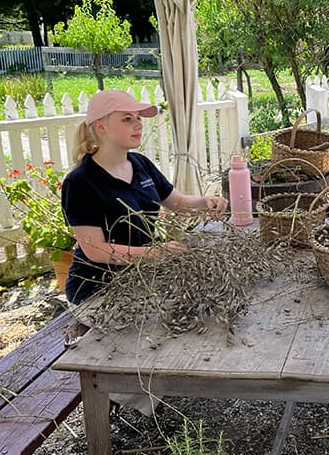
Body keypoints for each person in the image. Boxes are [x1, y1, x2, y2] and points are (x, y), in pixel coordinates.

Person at [62, 89, 227, 306]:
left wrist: (206, 202)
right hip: (96, 288)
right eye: (127, 119)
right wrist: (153, 253)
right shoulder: (80, 182)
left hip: (140, 277)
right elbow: (96, 249)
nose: (138, 125)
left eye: (138, 119)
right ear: (101, 127)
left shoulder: (141, 164)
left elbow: (177, 202)